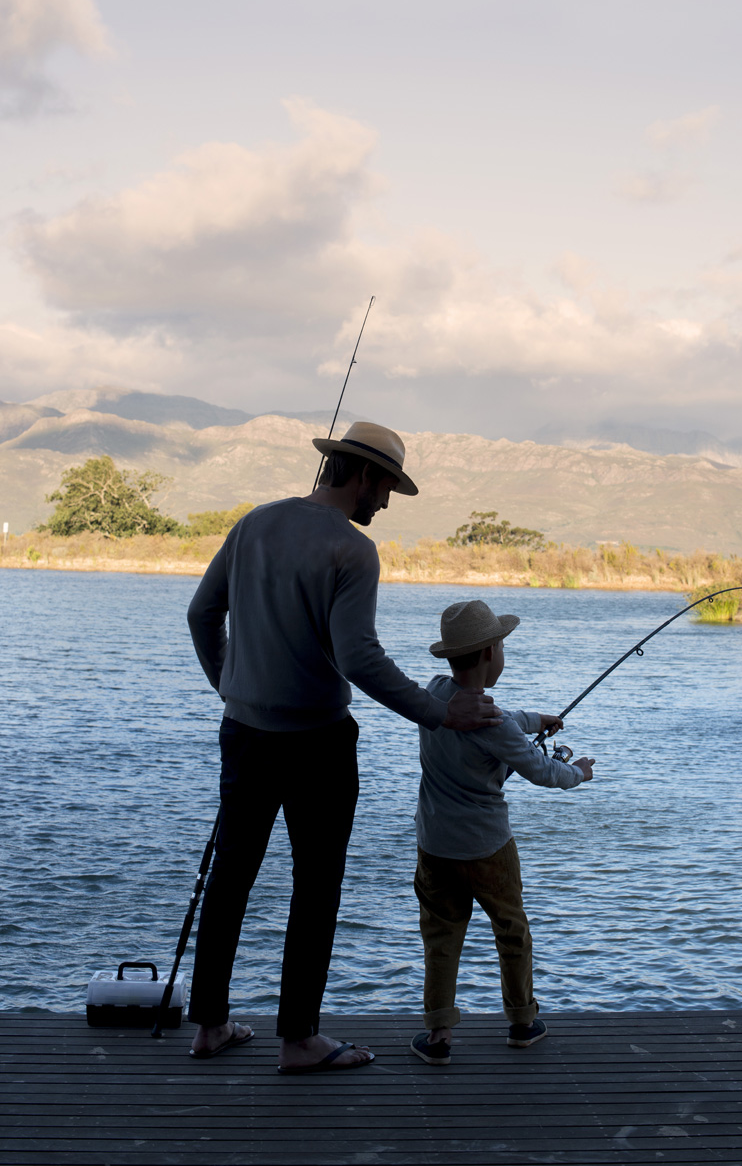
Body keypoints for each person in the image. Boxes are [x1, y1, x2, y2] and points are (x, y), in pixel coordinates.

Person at [184, 422, 502, 1073]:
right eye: (386, 489)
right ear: (363, 475)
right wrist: (441, 712)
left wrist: (231, 685)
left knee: (230, 878)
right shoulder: (352, 551)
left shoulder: (253, 524)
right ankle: (299, 1039)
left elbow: (201, 614)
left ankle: (209, 1027)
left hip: (243, 734)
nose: (384, 503)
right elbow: (359, 657)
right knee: (316, 885)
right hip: (318, 743)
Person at [410, 599, 595, 1066]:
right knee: (511, 930)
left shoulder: (433, 695)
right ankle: (521, 1022)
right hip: (488, 846)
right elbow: (543, 771)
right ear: (492, 652)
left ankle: (438, 1035)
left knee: (441, 936)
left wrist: (537, 719)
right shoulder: (494, 725)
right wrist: (579, 772)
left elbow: (505, 718)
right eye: (502, 647)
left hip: (435, 844)